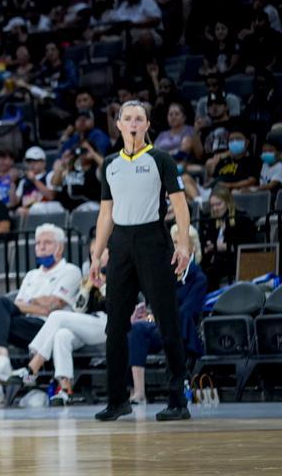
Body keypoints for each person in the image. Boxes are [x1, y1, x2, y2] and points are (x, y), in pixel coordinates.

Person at [90, 101, 193, 422]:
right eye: (127, 118)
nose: (133, 123)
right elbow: (106, 213)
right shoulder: (109, 163)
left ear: (147, 124)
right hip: (121, 245)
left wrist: (184, 244)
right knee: (115, 326)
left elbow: (180, 204)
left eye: (139, 118)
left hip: (153, 240)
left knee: (166, 321)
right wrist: (96, 255)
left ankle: (179, 400)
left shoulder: (160, 159)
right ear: (118, 125)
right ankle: (117, 400)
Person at [0, 224, 82, 406]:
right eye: (38, 243)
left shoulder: (71, 271)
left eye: (47, 243)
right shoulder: (31, 275)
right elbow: (16, 306)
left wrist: (31, 302)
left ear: (60, 247)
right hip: (26, 327)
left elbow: (53, 306)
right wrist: (38, 302)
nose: (41, 247)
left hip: (48, 328)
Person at [9, 242, 109, 406]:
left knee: (56, 316)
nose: (95, 256)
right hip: (89, 324)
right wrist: (86, 289)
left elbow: (118, 305)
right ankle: (65, 390)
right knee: (61, 335)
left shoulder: (119, 272)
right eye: (92, 253)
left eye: (99, 252)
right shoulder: (91, 277)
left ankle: (31, 368)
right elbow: (78, 310)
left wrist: (103, 286)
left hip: (109, 323)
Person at [129, 224, 207, 403]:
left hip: (181, 327)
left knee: (155, 329)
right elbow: (155, 304)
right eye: (173, 243)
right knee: (136, 329)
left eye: (180, 243)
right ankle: (138, 391)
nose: (175, 247)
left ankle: (177, 387)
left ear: (192, 248)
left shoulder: (198, 278)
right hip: (161, 325)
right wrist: (146, 312)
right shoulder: (166, 275)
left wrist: (159, 316)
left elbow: (188, 310)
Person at [200, 184, 257, 288]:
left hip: (234, 261)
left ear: (228, 202)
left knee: (210, 271)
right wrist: (207, 246)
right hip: (215, 262)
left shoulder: (241, 219)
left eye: (218, 204)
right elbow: (207, 241)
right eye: (212, 205)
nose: (215, 208)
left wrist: (225, 246)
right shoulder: (212, 221)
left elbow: (249, 245)